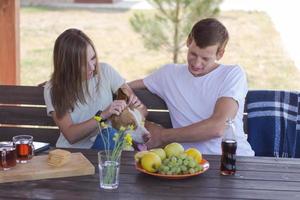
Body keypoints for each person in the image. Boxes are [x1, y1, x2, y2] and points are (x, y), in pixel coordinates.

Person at [129, 18, 254, 156]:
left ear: (220, 54)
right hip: (189, 164)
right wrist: (137, 108)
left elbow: (218, 127)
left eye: (205, 58)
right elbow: (122, 86)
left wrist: (163, 136)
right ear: (188, 42)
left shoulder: (232, 74)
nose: (196, 63)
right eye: (193, 54)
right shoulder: (168, 74)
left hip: (233, 160)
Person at [44, 28, 147, 149]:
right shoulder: (54, 88)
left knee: (110, 136)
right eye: (82, 63)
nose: (92, 67)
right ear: (67, 65)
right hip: (73, 154)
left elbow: (142, 110)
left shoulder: (105, 72)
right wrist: (103, 115)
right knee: (110, 136)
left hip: (108, 148)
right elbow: (71, 135)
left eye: (93, 58)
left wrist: (135, 107)